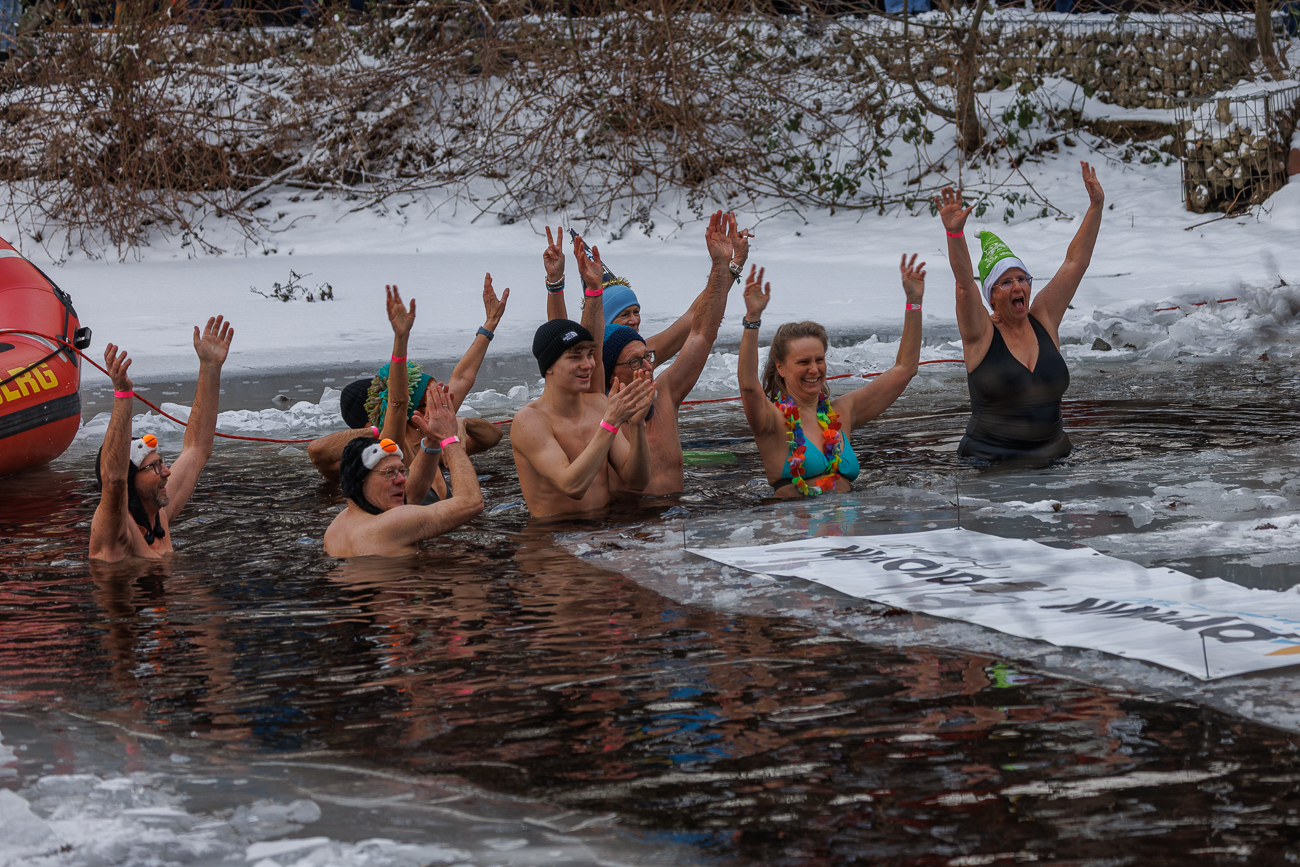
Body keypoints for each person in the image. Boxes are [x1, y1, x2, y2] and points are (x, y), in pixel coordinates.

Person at [935, 161, 1105, 463]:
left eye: (1022, 279)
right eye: (1006, 282)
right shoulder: (981, 334)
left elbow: (1074, 263)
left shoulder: (1043, 318)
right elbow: (964, 284)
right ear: (991, 295)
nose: (1018, 287)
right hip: (992, 468)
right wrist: (955, 235)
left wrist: (1096, 207)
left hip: (1054, 460)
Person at [738, 257, 926, 496]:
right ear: (781, 368)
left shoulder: (842, 412)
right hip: (794, 528)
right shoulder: (771, 420)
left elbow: (905, 369)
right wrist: (752, 319)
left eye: (819, 360)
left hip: (847, 525)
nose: (814, 370)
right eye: (803, 362)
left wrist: (914, 302)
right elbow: (748, 387)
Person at [307, 277, 507, 494]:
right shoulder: (381, 450)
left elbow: (466, 384)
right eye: (429, 397)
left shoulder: (433, 423)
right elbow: (317, 450)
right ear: (409, 414)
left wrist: (490, 324)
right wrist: (384, 429)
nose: (441, 398)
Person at [511, 235, 657, 518]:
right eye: (575, 357)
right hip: (554, 543)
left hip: (604, 532)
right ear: (549, 366)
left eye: (589, 355)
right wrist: (611, 422)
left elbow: (636, 481)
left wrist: (637, 427)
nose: (588, 364)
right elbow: (571, 485)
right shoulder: (530, 421)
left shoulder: (597, 406)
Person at [603, 211, 747, 495]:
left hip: (674, 522)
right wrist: (555, 286)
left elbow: (701, 330)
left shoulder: (664, 391)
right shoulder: (594, 408)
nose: (647, 365)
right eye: (635, 362)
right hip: (625, 530)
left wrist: (725, 266)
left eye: (648, 357)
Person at [90, 316, 234, 561]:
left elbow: (197, 448)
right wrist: (123, 394)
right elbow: (113, 480)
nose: (166, 472)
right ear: (131, 480)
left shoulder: (158, 514)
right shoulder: (117, 529)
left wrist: (210, 367)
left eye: (162, 463)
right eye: (155, 467)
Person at [541, 216, 750, 369]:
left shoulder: (642, 355)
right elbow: (558, 330)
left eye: (636, 312)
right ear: (601, 319)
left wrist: (731, 265)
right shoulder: (584, 364)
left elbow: (695, 316)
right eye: (624, 314)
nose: (634, 320)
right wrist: (555, 282)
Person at [323, 378, 484, 557]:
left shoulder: (337, 526)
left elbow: (412, 495)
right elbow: (471, 502)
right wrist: (449, 438)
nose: (401, 480)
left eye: (401, 471)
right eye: (389, 473)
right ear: (359, 480)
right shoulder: (392, 524)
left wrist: (431, 440)